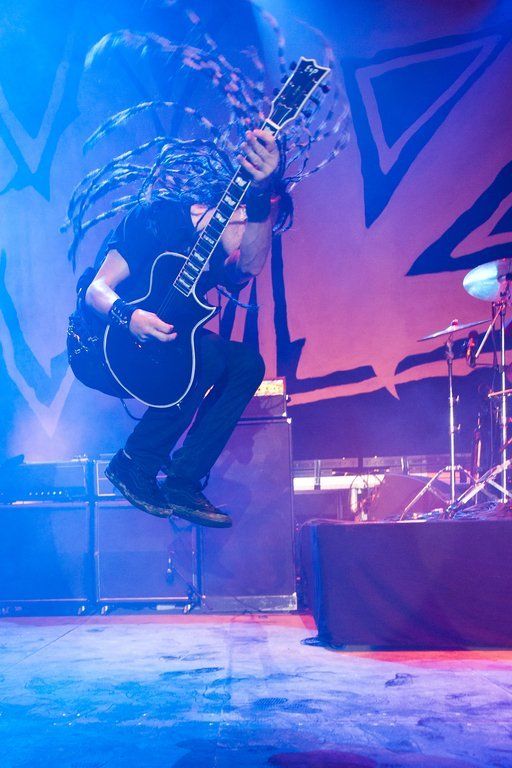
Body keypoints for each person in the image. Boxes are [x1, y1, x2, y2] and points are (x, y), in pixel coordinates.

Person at [82, 128, 279, 528]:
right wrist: (129, 318)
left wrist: (262, 197)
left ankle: (183, 481)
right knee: (205, 357)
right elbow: (95, 290)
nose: (251, 241)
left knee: (246, 364)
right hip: (101, 344)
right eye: (250, 225)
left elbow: (250, 265)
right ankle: (135, 462)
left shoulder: (223, 249)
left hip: (163, 348)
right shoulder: (156, 218)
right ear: (232, 209)